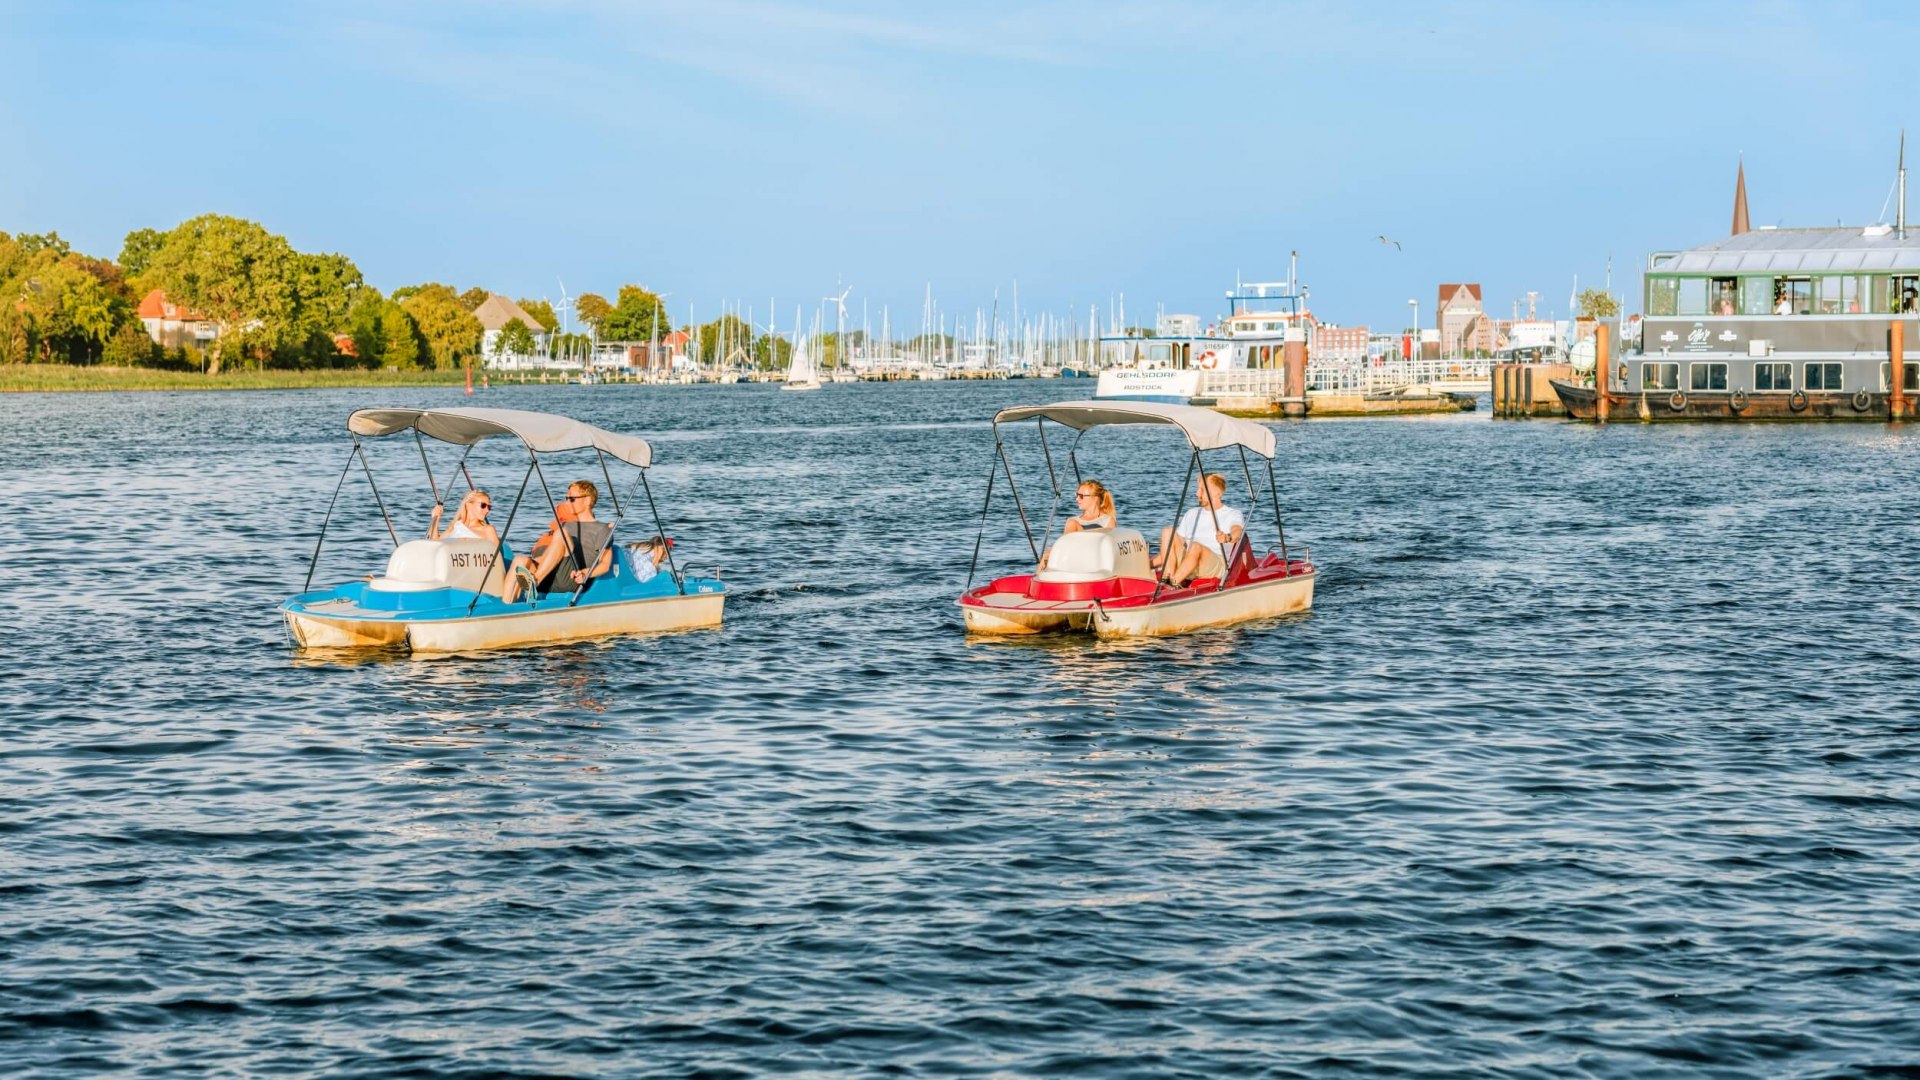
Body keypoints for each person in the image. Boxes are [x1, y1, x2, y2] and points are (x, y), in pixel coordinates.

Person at [502, 480, 614, 603]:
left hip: (573, 580)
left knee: (561, 534)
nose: (567, 502)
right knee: (520, 560)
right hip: (551, 577)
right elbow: (553, 554)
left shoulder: (602, 529)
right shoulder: (565, 525)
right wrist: (532, 563)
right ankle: (507, 607)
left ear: (587, 500)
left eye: (572, 499)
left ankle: (535, 582)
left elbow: (605, 565)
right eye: (567, 498)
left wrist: (585, 573)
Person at [1152, 473, 1245, 588]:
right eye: (1198, 489)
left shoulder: (1232, 514)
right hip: (1190, 560)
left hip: (1216, 564)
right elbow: (1171, 551)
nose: (1197, 493)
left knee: (1196, 546)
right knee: (1168, 532)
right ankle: (1167, 578)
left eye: (1202, 490)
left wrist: (1227, 537)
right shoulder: (1192, 513)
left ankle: (1173, 583)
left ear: (1217, 492)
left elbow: (1238, 532)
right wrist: (1148, 564)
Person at [428, 489, 498, 545]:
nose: (487, 510)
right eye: (483, 505)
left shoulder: (488, 530)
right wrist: (436, 517)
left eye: (489, 507)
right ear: (468, 505)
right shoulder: (455, 526)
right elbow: (435, 544)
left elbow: (497, 557)